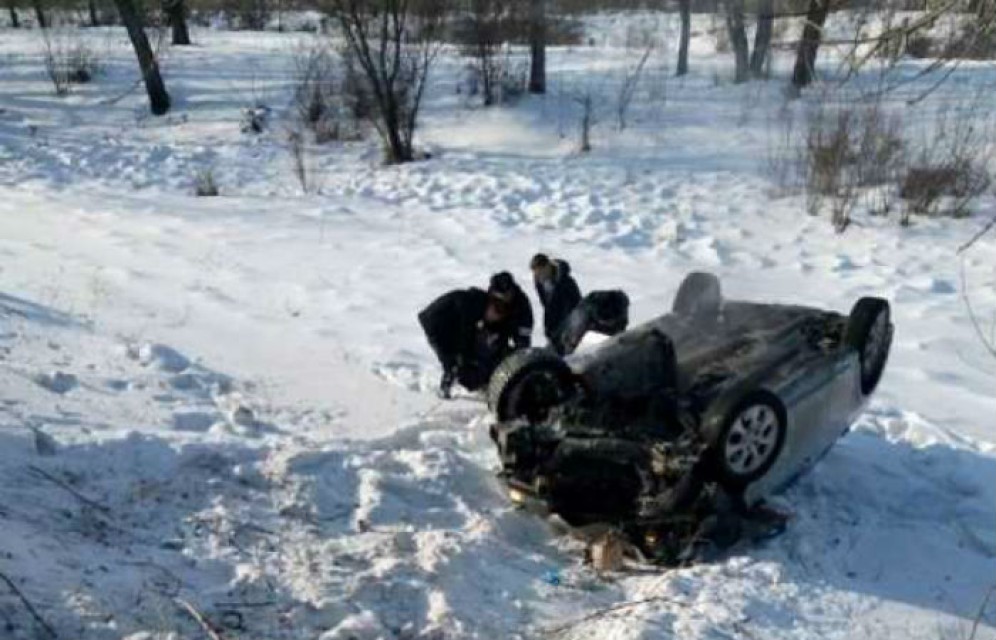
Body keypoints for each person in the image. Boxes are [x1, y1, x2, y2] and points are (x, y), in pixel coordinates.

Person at [418, 285, 517, 399]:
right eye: (495, 317)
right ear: (492, 308)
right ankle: (445, 390)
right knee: (450, 360)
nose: (491, 320)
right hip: (435, 323)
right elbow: (465, 334)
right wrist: (464, 359)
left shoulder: (479, 303)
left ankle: (460, 379)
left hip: (446, 321)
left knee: (459, 356)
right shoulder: (472, 307)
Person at [530, 253, 582, 354]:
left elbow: (576, 305)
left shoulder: (567, 282)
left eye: (541, 272)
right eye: (536, 273)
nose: (539, 276)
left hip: (570, 327)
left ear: (548, 267)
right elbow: (547, 306)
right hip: (553, 327)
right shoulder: (539, 282)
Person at [488, 271, 534, 350]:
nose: (506, 297)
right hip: (499, 326)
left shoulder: (522, 301)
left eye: (508, 293)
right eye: (502, 295)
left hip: (518, 326)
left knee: (522, 348)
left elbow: (527, 322)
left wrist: (522, 341)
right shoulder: (490, 299)